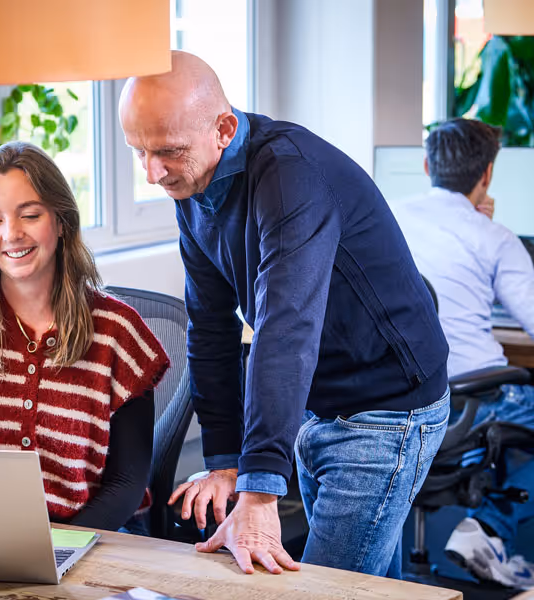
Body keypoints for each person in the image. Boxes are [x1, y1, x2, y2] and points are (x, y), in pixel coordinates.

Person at [118, 51, 450, 578]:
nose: (153, 173)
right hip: (318, 406)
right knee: (372, 585)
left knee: (327, 589)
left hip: (385, 409)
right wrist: (226, 457)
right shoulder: (192, 182)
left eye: (167, 152)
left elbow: (284, 328)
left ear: (224, 129)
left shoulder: (291, 176)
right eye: (139, 152)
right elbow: (210, 326)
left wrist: (259, 488)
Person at [0, 141, 169, 532]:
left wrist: (60, 549)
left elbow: (125, 484)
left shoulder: (119, 334)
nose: (11, 234)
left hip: (87, 540)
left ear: (61, 221)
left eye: (29, 215)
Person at [391, 118, 534, 589]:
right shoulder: (493, 238)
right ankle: (490, 529)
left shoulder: (384, 220)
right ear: (487, 175)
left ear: (428, 165)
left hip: (392, 400)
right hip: (469, 400)